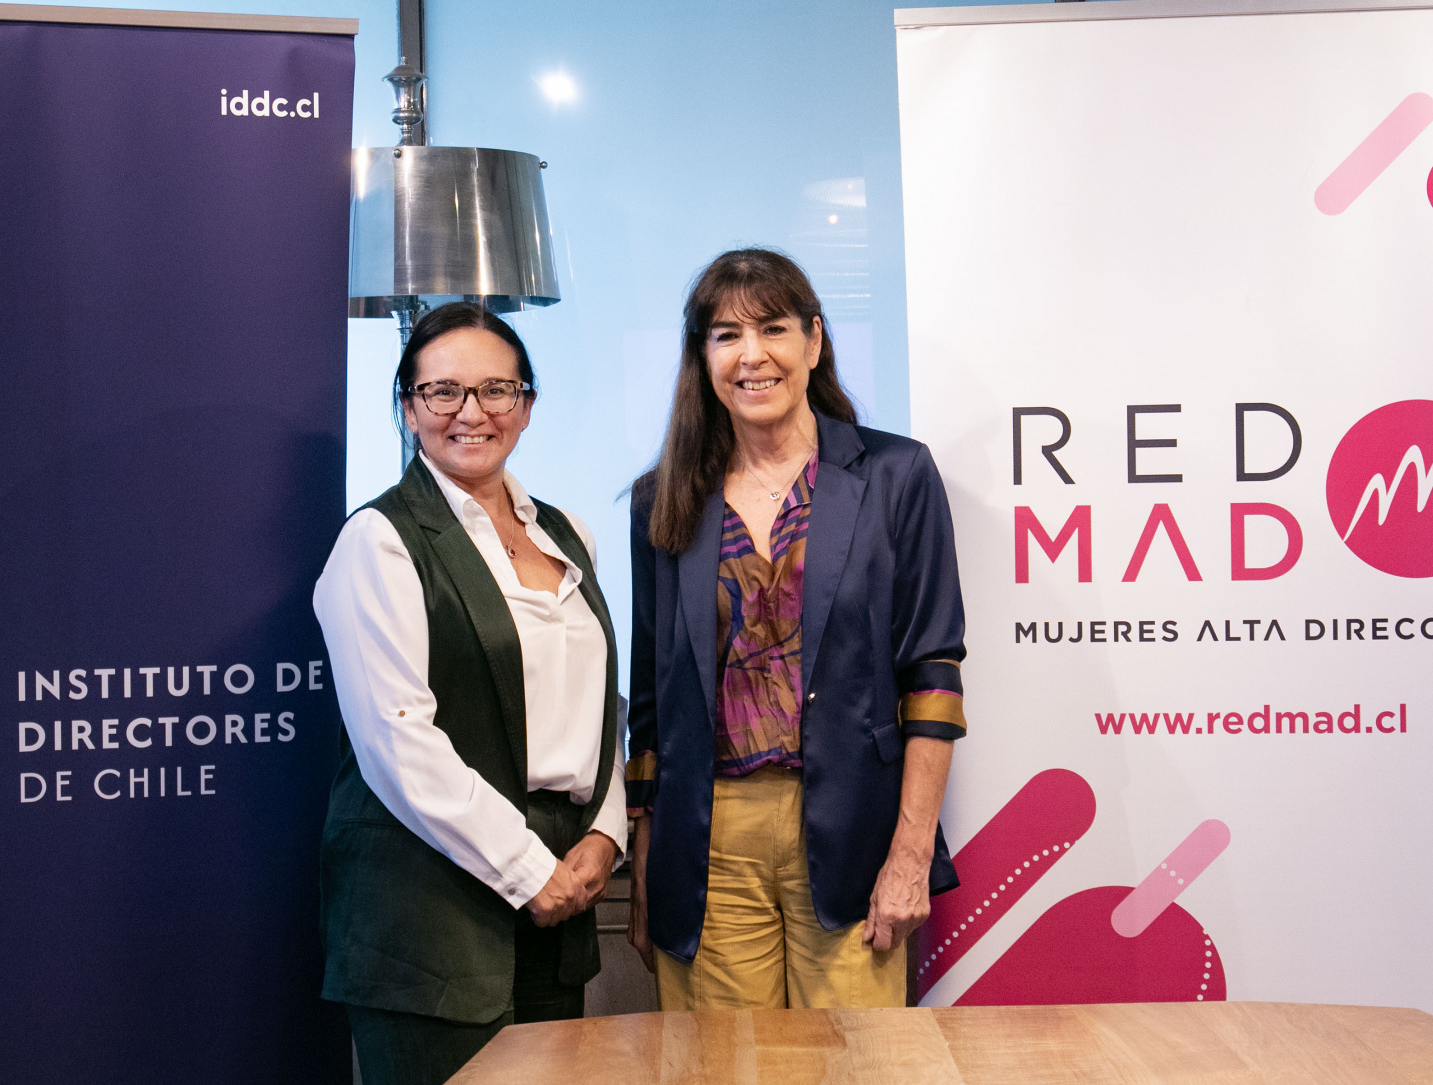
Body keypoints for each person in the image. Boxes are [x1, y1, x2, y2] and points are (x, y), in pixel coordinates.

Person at [626, 248, 966, 1010]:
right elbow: (651, 703)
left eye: (773, 328)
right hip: (707, 844)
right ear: (702, 357)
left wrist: (911, 853)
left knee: (856, 1060)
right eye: (726, 335)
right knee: (723, 1063)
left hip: (853, 836)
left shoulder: (896, 476)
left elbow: (933, 678)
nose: (752, 355)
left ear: (814, 342)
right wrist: (647, 864)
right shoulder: (663, 498)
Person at [314, 303, 625, 1085]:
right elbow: (397, 742)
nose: (471, 411)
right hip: (428, 916)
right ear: (407, 405)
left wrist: (605, 834)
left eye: (496, 389)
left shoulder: (568, 534)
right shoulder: (379, 541)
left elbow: (600, 709)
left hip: (560, 894)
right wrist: (529, 869)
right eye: (442, 390)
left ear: (527, 402)